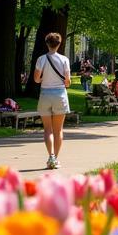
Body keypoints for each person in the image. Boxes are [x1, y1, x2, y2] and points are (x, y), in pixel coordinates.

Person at [34, 32, 71, 169]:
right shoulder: (64, 60)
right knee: (58, 130)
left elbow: (36, 79)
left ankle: (51, 156)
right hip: (60, 94)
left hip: (45, 94)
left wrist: (44, 79)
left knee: (48, 129)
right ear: (59, 44)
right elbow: (67, 82)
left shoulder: (41, 59)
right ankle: (56, 158)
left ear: (47, 43)